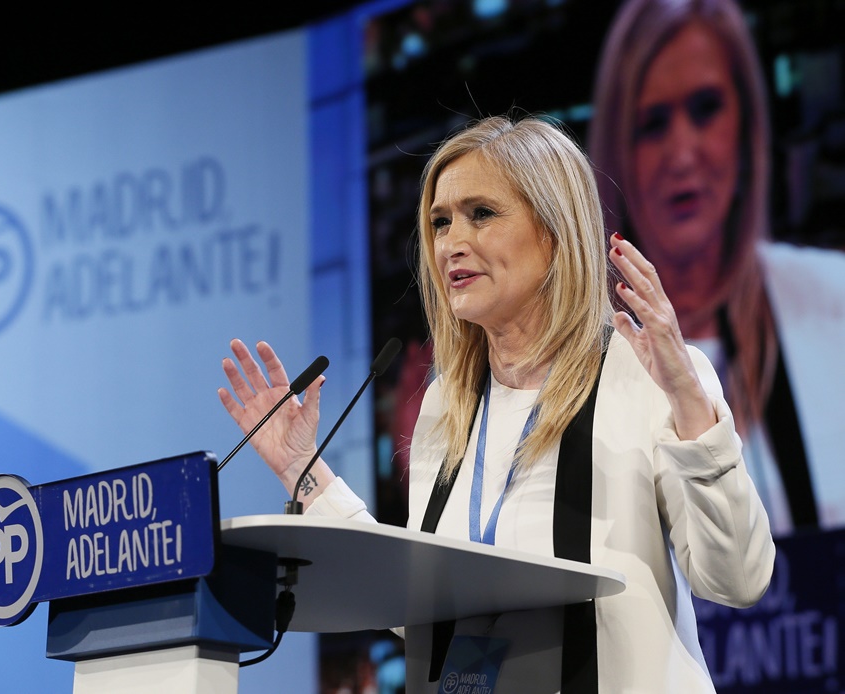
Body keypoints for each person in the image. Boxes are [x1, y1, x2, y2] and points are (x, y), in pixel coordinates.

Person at [219, 115, 774, 692]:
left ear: (553, 231)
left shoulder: (648, 376)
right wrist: (299, 468)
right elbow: (429, 612)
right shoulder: (446, 405)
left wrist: (689, 403)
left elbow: (738, 579)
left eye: (481, 214)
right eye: (439, 222)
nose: (452, 243)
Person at [587, 0, 845, 534]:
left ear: (746, 126)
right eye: (653, 124)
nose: (683, 153)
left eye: (705, 109)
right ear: (619, 149)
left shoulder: (834, 303)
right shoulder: (583, 355)